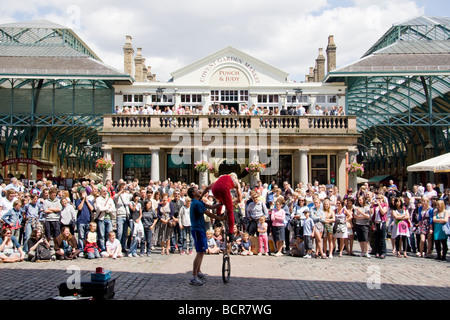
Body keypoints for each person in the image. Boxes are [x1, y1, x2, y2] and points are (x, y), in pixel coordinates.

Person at [187, 185, 224, 286]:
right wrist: (220, 218)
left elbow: (211, 207)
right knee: (200, 252)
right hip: (198, 229)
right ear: (193, 193)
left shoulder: (198, 202)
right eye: (197, 190)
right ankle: (194, 276)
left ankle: (198, 272)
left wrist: (220, 204)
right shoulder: (196, 203)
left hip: (200, 229)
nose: (199, 191)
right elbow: (209, 213)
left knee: (202, 251)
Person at [95, 186, 116, 252]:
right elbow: (99, 208)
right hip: (101, 218)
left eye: (106, 191)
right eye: (104, 191)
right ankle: (103, 249)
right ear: (101, 191)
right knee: (101, 235)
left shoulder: (110, 199)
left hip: (108, 218)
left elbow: (113, 208)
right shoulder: (98, 199)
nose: (105, 192)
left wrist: (107, 209)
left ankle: (108, 248)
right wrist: (107, 207)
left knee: (109, 234)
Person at [75, 189, 94, 255]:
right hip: (81, 221)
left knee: (87, 236)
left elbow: (92, 208)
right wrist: (83, 200)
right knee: (81, 236)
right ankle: (81, 249)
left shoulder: (89, 201)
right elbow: (79, 208)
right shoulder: (78, 201)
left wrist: (87, 201)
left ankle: (87, 249)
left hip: (88, 221)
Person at [371, 194, 388, 259]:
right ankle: (377, 251)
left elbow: (383, 212)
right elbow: (371, 213)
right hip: (376, 223)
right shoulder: (375, 206)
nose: (378, 199)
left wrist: (380, 205)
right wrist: (372, 205)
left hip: (382, 222)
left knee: (382, 238)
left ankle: (383, 252)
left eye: (379, 198)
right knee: (376, 238)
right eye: (377, 198)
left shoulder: (385, 205)